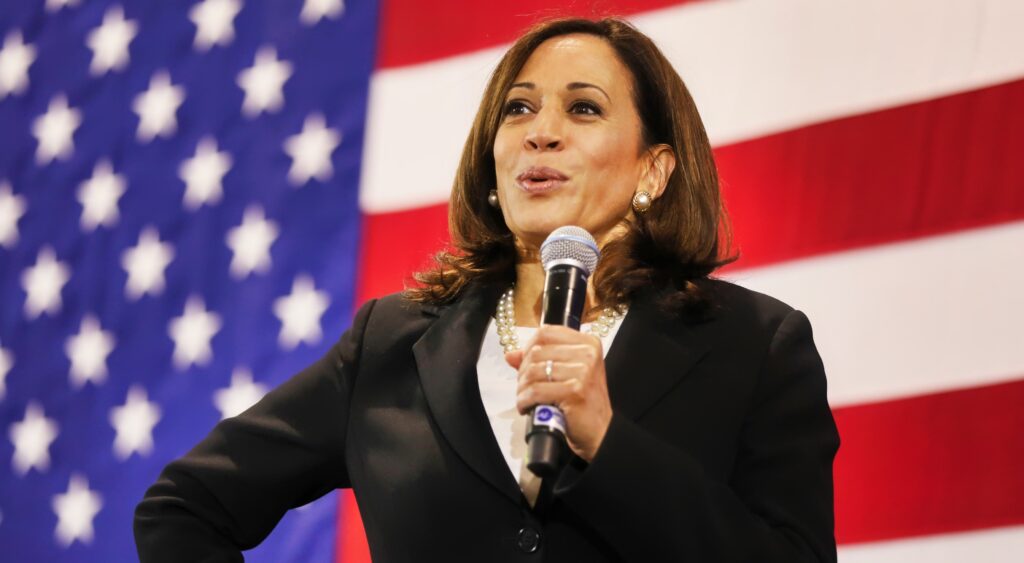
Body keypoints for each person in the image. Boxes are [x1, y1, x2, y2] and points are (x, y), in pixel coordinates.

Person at [135, 17, 839, 562]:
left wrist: (608, 442)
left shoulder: (755, 345)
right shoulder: (392, 343)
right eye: (519, 109)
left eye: (584, 109)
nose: (541, 134)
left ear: (653, 171)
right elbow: (183, 504)